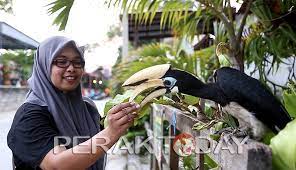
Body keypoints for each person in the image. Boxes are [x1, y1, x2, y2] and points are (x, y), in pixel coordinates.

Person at [7, 36, 139, 170]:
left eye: (78, 62)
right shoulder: (30, 115)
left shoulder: (87, 108)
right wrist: (110, 133)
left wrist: (116, 121)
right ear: (44, 65)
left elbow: (98, 142)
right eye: (61, 62)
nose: (71, 68)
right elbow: (57, 165)